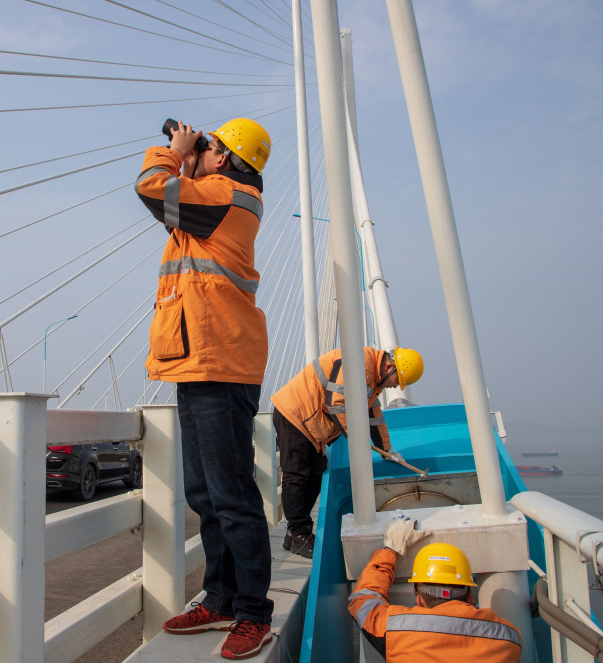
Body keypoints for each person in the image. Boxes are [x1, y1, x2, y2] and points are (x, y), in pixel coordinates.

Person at [135, 117, 274, 660]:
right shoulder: (211, 202)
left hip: (221, 362)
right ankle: (219, 598)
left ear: (228, 158)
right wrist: (190, 158)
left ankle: (252, 613)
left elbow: (153, 188)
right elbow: (171, 203)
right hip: (198, 361)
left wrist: (173, 150)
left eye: (210, 144)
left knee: (233, 495)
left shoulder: (230, 197)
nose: (200, 147)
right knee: (204, 493)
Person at [270, 346, 424, 558]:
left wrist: (388, 450)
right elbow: (337, 402)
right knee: (297, 473)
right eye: (397, 380)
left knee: (315, 473)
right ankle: (297, 532)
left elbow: (374, 416)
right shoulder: (359, 363)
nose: (395, 386)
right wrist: (357, 437)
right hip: (295, 412)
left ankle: (297, 533)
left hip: (311, 422)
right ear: (389, 366)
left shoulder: (372, 379)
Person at [348, 517, 522, 662]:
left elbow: (363, 599)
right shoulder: (508, 638)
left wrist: (390, 549)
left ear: (419, 599)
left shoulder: (396, 630)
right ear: (470, 595)